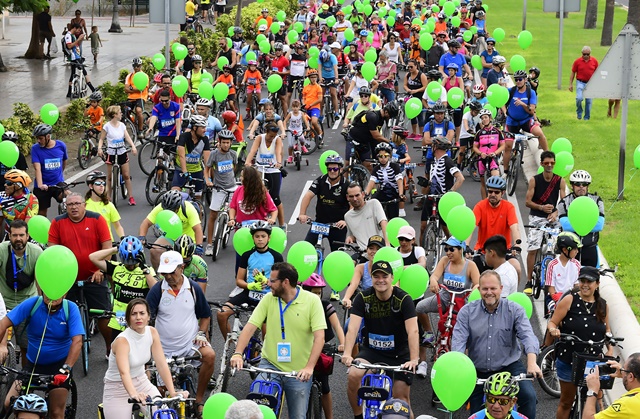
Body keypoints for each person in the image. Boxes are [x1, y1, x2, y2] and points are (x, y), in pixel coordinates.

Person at [229, 262, 326, 419]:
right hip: (270, 364)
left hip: (298, 371)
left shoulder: (312, 301)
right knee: (257, 412)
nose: (268, 283)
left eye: (272, 281)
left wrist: (309, 368)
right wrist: (238, 353)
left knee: (298, 416)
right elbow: (249, 328)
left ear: (285, 282)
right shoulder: (268, 299)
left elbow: (319, 338)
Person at [452, 270, 541, 419]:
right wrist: (460, 369)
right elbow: (458, 343)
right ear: (479, 289)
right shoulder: (467, 312)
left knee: (529, 397)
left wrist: (532, 363)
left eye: (493, 288)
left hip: (509, 367)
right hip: (478, 369)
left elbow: (528, 337)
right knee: (475, 411)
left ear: (501, 288)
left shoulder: (515, 310)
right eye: (485, 289)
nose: (489, 292)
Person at [342, 261, 420, 418]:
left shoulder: (404, 299)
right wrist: (347, 353)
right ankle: (358, 415)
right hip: (371, 351)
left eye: (384, 276)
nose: (380, 280)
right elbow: (353, 328)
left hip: (399, 354)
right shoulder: (363, 298)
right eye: (376, 276)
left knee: (401, 400)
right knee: (353, 375)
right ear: (371, 278)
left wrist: (413, 360)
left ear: (392, 277)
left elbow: (413, 331)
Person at [146, 251, 215, 412]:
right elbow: (147, 319)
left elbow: (205, 316)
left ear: (182, 267)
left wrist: (201, 333)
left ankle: (198, 400)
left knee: (210, 356)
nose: (168, 276)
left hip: (189, 344)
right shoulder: (157, 290)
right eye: (164, 272)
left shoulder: (193, 288)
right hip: (164, 349)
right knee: (162, 398)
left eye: (172, 272)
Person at [0, 293, 83, 419]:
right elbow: (3, 324)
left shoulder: (70, 308)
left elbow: (77, 341)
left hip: (59, 368)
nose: (52, 296)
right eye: (48, 292)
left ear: (65, 293)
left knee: (56, 412)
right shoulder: (32, 304)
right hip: (33, 366)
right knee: (9, 404)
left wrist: (66, 368)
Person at [48, 192, 113, 352]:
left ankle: (110, 349)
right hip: (68, 278)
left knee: (104, 315)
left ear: (84, 205)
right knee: (61, 315)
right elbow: (52, 250)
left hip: (94, 277)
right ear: (65, 206)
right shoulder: (57, 222)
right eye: (70, 204)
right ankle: (62, 349)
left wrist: (100, 270)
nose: (74, 207)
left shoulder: (97, 219)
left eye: (77, 203)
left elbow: (107, 248)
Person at [101, 298, 187, 418]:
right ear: (128, 319)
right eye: (133, 314)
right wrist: (134, 394)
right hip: (117, 388)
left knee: (164, 415)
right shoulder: (122, 341)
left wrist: (172, 392)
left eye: (142, 313)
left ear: (148, 317)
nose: (138, 317)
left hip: (142, 382)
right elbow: (124, 373)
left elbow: (161, 364)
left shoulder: (152, 332)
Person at [547, 266, 612, 419]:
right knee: (566, 402)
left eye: (589, 281)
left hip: (593, 362)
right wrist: (553, 330)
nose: (585, 285)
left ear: (597, 284)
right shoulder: (570, 299)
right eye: (582, 281)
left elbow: (607, 331)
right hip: (569, 359)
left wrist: (610, 348)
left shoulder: (603, 305)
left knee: (595, 401)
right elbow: (553, 322)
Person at [217, 221, 284, 337]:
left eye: (263, 236)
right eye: (257, 236)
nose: (260, 239)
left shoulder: (276, 256)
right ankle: (230, 344)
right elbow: (239, 281)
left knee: (265, 331)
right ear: (253, 238)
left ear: (269, 238)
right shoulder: (247, 255)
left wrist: (267, 282)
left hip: (267, 297)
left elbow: (280, 283)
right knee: (221, 314)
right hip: (248, 294)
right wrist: (250, 285)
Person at [416, 236, 479, 347]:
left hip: (462, 304)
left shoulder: (470, 266)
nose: (448, 253)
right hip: (444, 299)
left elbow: (478, 283)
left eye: (451, 249)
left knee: (466, 334)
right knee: (420, 307)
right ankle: (429, 333)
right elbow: (434, 276)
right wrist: (433, 281)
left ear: (461, 250)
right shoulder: (445, 261)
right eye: (446, 249)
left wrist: (474, 289)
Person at [89, 237, 156, 337]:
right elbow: (93, 257)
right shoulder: (116, 267)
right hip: (119, 321)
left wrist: (145, 270)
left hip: (139, 320)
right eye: (127, 263)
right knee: (118, 350)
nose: (130, 266)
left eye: (133, 263)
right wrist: (116, 249)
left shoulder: (147, 270)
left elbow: (156, 289)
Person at [300, 274, 345, 419]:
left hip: (323, 346)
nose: (317, 296)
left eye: (319, 293)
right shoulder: (300, 305)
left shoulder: (325, 305)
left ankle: (329, 417)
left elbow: (337, 325)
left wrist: (343, 344)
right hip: (304, 347)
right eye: (314, 293)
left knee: (325, 387)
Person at [524, 151, 566, 295]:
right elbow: (527, 202)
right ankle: (529, 280)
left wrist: (555, 213)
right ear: (542, 164)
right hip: (537, 217)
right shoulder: (534, 180)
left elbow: (563, 202)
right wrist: (541, 207)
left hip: (553, 218)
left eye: (552, 163)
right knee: (533, 247)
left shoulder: (560, 180)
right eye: (546, 163)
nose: (549, 165)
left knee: (558, 247)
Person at [0, 220, 42, 365]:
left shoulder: (36, 252)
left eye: (21, 235)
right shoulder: (1, 250)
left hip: (28, 304)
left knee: (27, 347)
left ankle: (24, 381)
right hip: (4, 305)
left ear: (28, 235)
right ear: (9, 236)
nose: (18, 238)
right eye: (14, 235)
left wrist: (41, 305)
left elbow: (40, 282)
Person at [138, 189, 204, 270]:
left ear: (178, 207)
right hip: (171, 236)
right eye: (166, 210)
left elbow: (198, 229)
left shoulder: (188, 208)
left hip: (188, 239)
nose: (169, 212)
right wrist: (141, 238)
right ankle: (159, 277)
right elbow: (146, 223)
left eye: (172, 210)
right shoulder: (161, 207)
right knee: (154, 251)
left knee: (187, 263)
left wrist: (199, 246)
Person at [419, 136, 464, 245]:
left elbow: (460, 178)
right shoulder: (433, 162)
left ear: (436, 147)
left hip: (443, 198)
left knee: (445, 227)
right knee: (423, 227)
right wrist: (426, 184)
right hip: (431, 196)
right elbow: (433, 181)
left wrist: (450, 192)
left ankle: (451, 244)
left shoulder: (447, 162)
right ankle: (422, 253)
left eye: (432, 145)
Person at [298, 154, 349, 250]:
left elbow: (352, 206)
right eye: (329, 169)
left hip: (337, 226)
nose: (332, 172)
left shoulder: (346, 185)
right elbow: (308, 196)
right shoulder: (320, 180)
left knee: (337, 256)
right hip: (319, 224)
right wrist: (302, 214)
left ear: (340, 170)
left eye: (335, 169)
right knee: (305, 249)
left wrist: (346, 221)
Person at [503, 69, 548, 177]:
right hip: (512, 122)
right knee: (508, 146)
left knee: (540, 134)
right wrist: (505, 112)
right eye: (516, 79)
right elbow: (501, 102)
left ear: (525, 80)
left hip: (526, 120)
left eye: (520, 79)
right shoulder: (511, 91)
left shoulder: (530, 92)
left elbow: (531, 111)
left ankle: (548, 157)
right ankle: (505, 170)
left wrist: (523, 104)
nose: (518, 81)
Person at [557, 170, 604, 268]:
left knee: (592, 279)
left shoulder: (597, 201)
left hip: (590, 247)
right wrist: (587, 224)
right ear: (572, 186)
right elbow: (566, 225)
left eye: (584, 184)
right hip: (570, 249)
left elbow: (599, 225)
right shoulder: (563, 202)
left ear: (588, 186)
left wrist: (578, 225)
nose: (581, 187)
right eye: (578, 184)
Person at [245, 122, 285, 228]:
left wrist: (279, 163)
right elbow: (252, 151)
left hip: (273, 169)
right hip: (260, 168)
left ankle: (282, 224)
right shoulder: (259, 138)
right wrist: (248, 163)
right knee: (256, 194)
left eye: (274, 136)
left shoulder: (277, 140)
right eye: (270, 135)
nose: (272, 138)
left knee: (275, 197)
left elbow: (278, 152)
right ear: (266, 132)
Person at [204, 130, 238, 255]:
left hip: (232, 188)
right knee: (213, 214)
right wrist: (208, 180)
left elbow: (234, 168)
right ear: (219, 142)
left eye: (228, 143)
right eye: (223, 142)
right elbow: (207, 169)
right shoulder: (214, 154)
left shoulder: (233, 154)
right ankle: (209, 244)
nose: (225, 145)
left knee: (235, 215)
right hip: (218, 188)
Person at [97, 105, 138, 206]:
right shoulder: (107, 126)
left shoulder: (122, 125)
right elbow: (102, 139)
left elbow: (127, 137)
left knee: (126, 176)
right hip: (111, 152)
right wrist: (99, 148)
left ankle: (131, 197)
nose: (121, 114)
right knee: (110, 177)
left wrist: (133, 146)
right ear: (115, 115)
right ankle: (108, 198)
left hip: (122, 152)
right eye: (119, 112)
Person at [583, 353, 640, 419]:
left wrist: (592, 390)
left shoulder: (626, 404)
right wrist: (625, 375)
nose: (622, 370)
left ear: (631, 376)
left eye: (623, 368)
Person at [31, 124, 68, 217]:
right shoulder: (35, 149)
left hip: (57, 183)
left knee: (70, 197)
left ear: (48, 136)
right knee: (41, 214)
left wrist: (60, 176)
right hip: (42, 185)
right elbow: (37, 168)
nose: (38, 141)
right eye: (37, 138)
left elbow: (64, 162)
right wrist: (40, 185)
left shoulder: (61, 145)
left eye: (40, 138)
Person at [544, 231, 582, 317]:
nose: (577, 251)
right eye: (575, 249)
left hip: (571, 297)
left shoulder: (576, 264)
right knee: (555, 314)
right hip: (555, 298)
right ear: (565, 250)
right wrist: (557, 299)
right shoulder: (553, 265)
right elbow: (551, 287)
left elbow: (577, 285)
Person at [173, 115, 211, 201]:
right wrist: (185, 172)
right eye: (202, 127)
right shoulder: (184, 137)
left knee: (198, 198)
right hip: (181, 169)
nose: (205, 130)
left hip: (196, 170)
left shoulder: (205, 139)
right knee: (175, 193)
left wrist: (207, 177)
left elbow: (207, 161)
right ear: (194, 128)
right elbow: (181, 156)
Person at [344, 183, 389, 250]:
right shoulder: (347, 216)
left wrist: (387, 244)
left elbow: (384, 223)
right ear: (347, 197)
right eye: (351, 196)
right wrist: (350, 237)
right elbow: (354, 234)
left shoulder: (374, 203)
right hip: (363, 252)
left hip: (379, 248)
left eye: (357, 195)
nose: (355, 199)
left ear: (363, 194)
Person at [366, 142, 404, 219]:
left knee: (393, 217)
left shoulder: (394, 166)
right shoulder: (376, 168)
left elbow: (399, 181)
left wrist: (401, 194)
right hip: (383, 192)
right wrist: (366, 193)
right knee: (371, 203)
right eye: (380, 156)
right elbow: (372, 181)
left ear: (389, 156)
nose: (383, 159)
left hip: (394, 193)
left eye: (385, 156)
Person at [473, 108, 505, 200]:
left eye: (486, 117)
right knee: (483, 183)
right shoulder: (479, 133)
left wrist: (495, 153)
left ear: (490, 118)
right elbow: (475, 147)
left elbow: (503, 145)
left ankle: (498, 201)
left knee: (496, 180)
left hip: (493, 158)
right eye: (482, 118)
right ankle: (484, 203)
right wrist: (480, 153)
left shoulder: (497, 131)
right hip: (482, 158)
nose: (484, 119)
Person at [84, 170, 124, 241]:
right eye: (98, 183)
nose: (101, 185)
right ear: (91, 186)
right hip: (91, 244)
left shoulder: (109, 205)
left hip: (108, 243)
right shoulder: (84, 205)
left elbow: (118, 226)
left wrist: (123, 238)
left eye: (103, 183)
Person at [0, 170, 39, 238]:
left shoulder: (31, 199)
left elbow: (27, 225)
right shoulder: (1, 196)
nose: (5, 185)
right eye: (5, 182)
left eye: (8, 183)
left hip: (26, 234)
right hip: (9, 234)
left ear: (18, 186)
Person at [569, 46, 598, 121]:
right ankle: (579, 112)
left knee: (588, 101)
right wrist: (570, 84)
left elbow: (597, 72)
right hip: (580, 82)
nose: (586, 56)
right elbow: (573, 72)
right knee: (579, 98)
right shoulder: (577, 61)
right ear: (582, 53)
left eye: (587, 54)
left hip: (590, 83)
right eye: (584, 54)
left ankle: (586, 118)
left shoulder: (594, 61)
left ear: (590, 54)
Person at [404, 59, 429, 138]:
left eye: (411, 67)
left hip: (419, 97)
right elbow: (405, 85)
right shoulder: (408, 75)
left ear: (416, 66)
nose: (410, 68)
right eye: (409, 67)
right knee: (412, 115)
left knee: (420, 115)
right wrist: (407, 89)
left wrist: (416, 90)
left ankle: (421, 133)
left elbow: (425, 87)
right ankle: (414, 132)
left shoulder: (421, 75)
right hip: (411, 97)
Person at [125, 58, 149, 134]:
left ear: (140, 66)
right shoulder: (129, 76)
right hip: (131, 97)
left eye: (138, 66)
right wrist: (135, 88)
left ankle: (140, 130)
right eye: (134, 66)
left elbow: (141, 89)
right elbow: (126, 89)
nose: (136, 68)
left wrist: (131, 88)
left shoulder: (144, 76)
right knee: (124, 112)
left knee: (138, 111)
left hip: (141, 97)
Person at [302, 69, 324, 143]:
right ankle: (306, 140)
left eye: (315, 77)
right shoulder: (306, 88)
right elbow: (303, 98)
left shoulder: (318, 87)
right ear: (309, 78)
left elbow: (320, 99)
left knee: (314, 122)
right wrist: (303, 105)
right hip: (306, 108)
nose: (313, 79)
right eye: (312, 77)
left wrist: (311, 105)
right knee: (305, 124)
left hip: (315, 108)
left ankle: (320, 133)